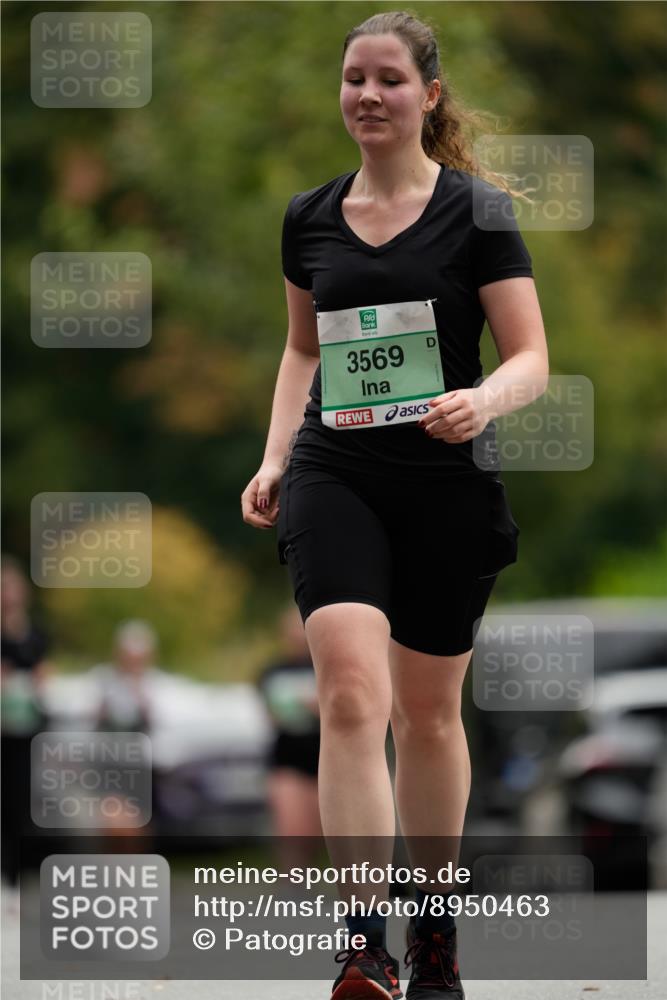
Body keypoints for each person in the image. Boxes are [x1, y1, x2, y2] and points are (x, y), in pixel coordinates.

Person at [241, 11, 548, 999]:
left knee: (425, 717)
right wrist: (278, 453)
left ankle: (436, 939)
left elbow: (532, 358)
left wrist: (481, 398)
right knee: (349, 693)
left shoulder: (479, 213)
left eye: (388, 80)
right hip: (336, 471)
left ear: (428, 95)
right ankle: (363, 939)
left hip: (443, 483)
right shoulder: (308, 216)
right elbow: (301, 348)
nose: (366, 96)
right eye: (352, 79)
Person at [256, 604, 322, 872]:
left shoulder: (325, 667)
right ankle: (292, 882)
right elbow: (270, 713)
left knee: (317, 829)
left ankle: (310, 874)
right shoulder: (272, 671)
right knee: (291, 825)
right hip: (286, 756)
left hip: (322, 755)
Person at [1, 555, 52, 890]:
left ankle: (13, 877)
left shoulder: (35, 633)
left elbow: (43, 675)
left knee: (18, 802)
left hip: (25, 729)